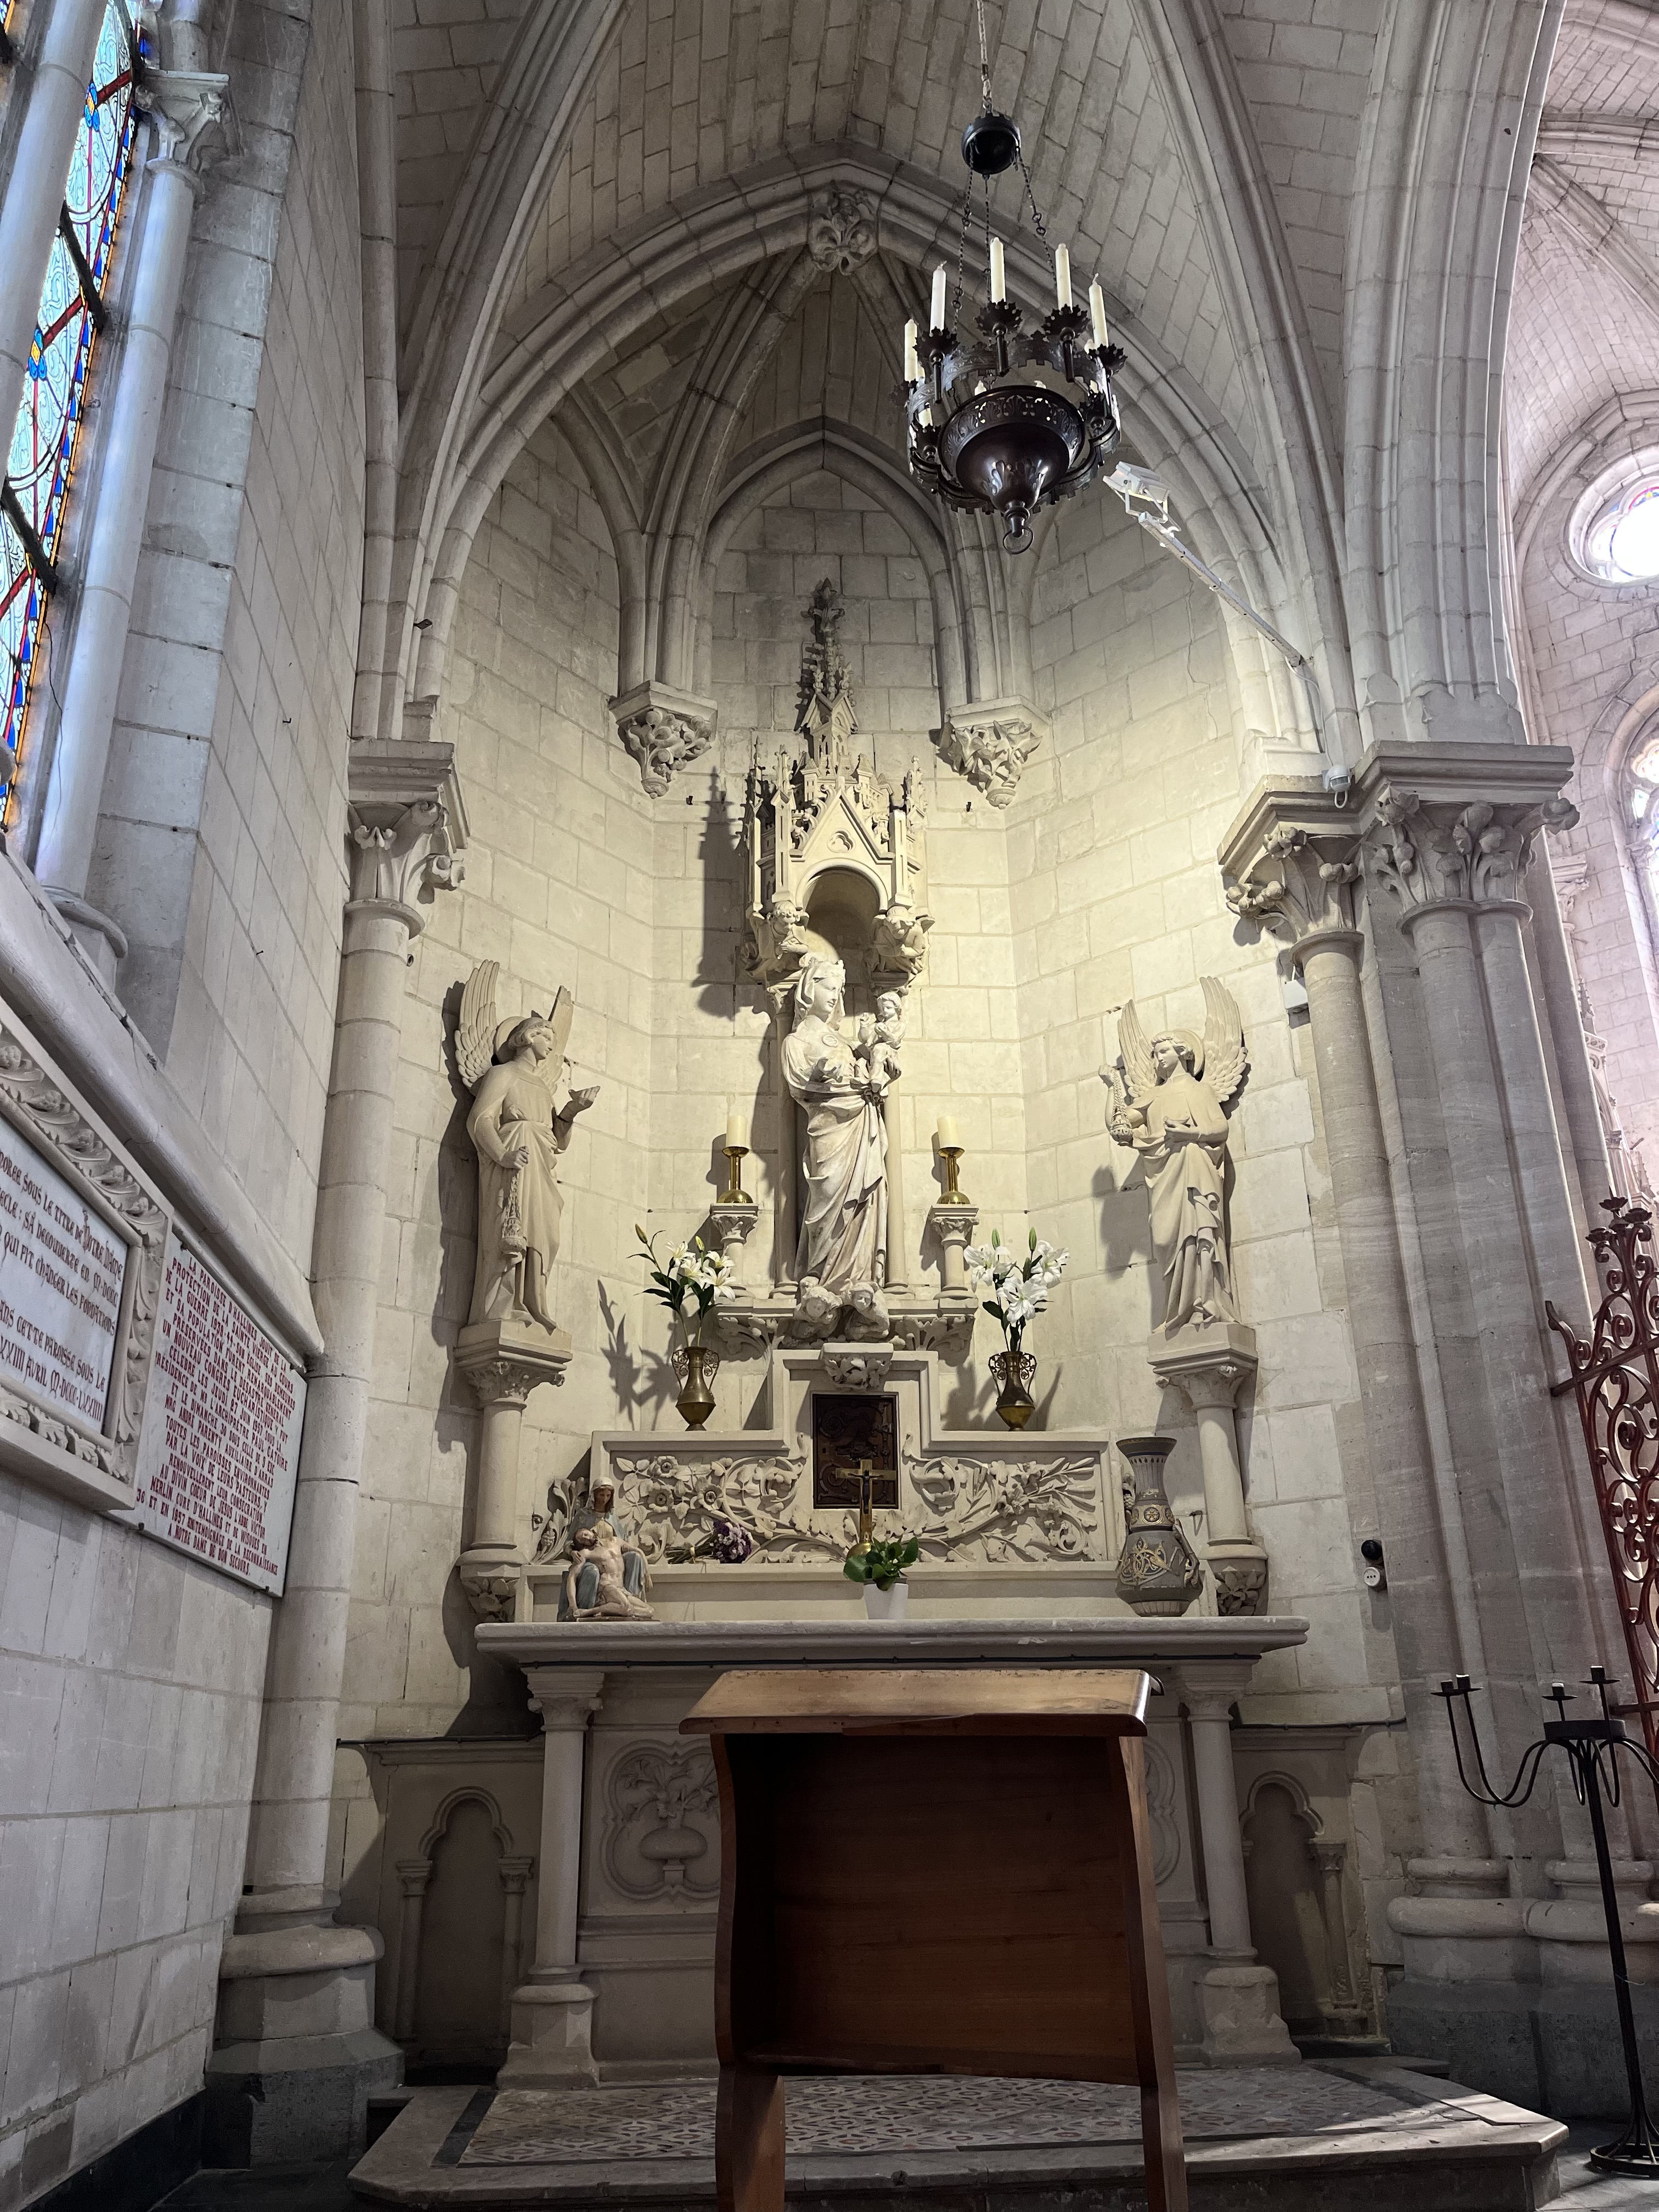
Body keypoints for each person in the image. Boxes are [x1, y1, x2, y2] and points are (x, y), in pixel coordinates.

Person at [465, 1014, 594, 1330]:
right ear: (526, 1037)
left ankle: (533, 1303)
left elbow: (557, 1142)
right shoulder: (504, 1074)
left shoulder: (543, 1088)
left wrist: (571, 1111)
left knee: (544, 1232)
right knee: (512, 1229)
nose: (551, 1045)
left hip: (541, 1171)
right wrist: (503, 1154)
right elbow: (480, 1120)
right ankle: (503, 1307)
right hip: (514, 1167)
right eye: (546, 1037)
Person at [781, 955, 888, 1292]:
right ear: (809, 989)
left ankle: (858, 1274)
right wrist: (822, 1074)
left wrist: (878, 1060)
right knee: (826, 1193)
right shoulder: (796, 1042)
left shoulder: (847, 1042)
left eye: (839, 990)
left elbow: (876, 1070)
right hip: (827, 1129)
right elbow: (798, 1083)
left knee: (862, 1196)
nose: (835, 996)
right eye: (829, 988)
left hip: (861, 1122)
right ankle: (818, 1271)